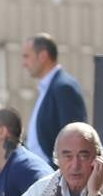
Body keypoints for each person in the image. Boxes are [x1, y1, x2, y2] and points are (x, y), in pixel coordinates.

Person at [22, 33, 87, 166]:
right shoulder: (48, 87)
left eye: (26, 56)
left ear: (43, 56)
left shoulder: (63, 87)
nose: (24, 64)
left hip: (56, 174)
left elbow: (73, 138)